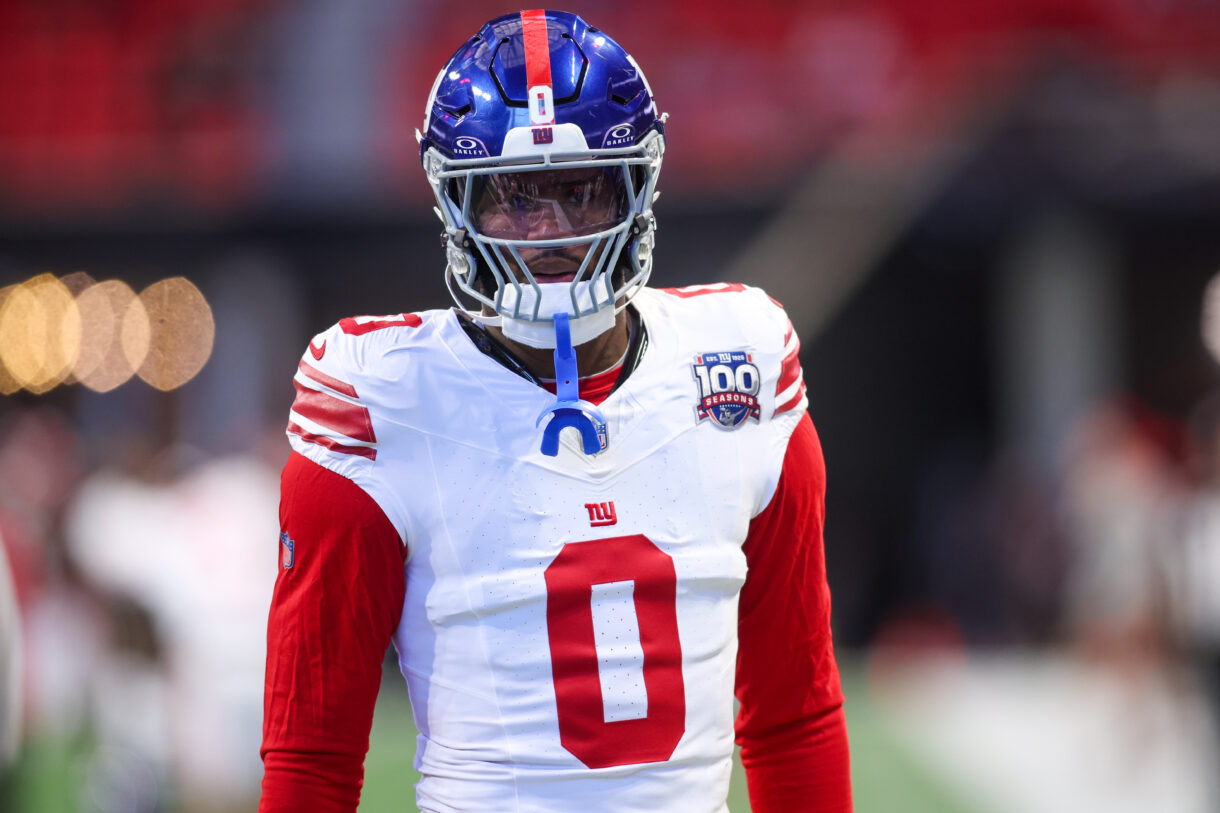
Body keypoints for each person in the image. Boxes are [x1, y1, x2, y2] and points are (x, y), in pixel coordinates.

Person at [259, 9, 851, 813]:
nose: (550, 232)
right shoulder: (382, 397)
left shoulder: (737, 362)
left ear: (636, 187)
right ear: (455, 202)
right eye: (513, 197)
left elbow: (794, 716)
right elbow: (313, 760)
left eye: (580, 190)